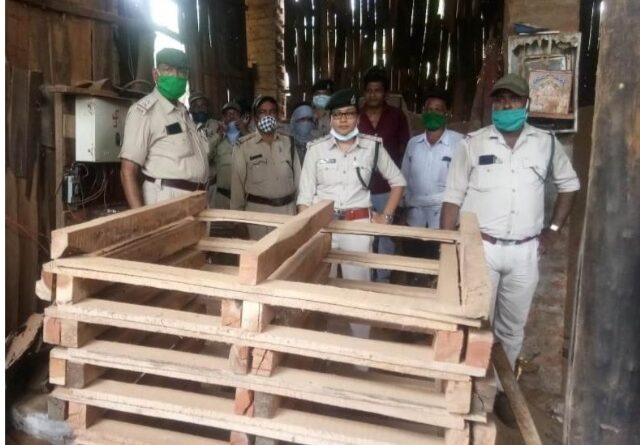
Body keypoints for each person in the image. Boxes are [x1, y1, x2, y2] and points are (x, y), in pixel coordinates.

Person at [440, 73, 580, 425]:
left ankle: (502, 392)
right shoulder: (473, 143)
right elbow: (453, 196)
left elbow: (569, 186)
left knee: (512, 328)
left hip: (525, 251)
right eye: (500, 100)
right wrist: (448, 244)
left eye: (513, 100)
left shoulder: (546, 144)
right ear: (493, 105)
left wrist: (552, 230)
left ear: (526, 104)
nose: (506, 106)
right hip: (481, 247)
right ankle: (470, 389)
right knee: (475, 321)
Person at [297, 88, 406, 339]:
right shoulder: (316, 150)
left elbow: (398, 182)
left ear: (357, 117)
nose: (343, 120)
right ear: (330, 119)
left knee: (358, 290)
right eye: (338, 115)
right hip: (323, 227)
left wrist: (386, 217)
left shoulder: (372, 147)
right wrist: (309, 232)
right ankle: (320, 344)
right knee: (319, 287)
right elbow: (304, 198)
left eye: (349, 113)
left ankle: (360, 347)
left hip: (358, 227)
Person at [119, 48, 209, 208]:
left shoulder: (183, 112)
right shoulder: (144, 112)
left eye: (181, 72)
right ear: (155, 74)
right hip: (166, 199)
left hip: (197, 199)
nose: (176, 76)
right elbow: (128, 171)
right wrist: (141, 217)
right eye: (168, 69)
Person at [358, 66, 410, 282]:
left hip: (388, 189)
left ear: (385, 93)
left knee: (386, 236)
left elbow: (404, 150)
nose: (373, 95)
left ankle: (383, 280)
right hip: (360, 189)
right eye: (369, 90)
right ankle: (363, 280)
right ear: (364, 93)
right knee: (361, 236)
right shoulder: (355, 117)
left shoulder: (396, 116)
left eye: (377, 90)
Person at [231, 95, 301, 239]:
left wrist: (301, 214)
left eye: (272, 112)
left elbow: (299, 182)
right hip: (258, 217)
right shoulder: (243, 147)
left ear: (277, 116)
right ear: (255, 117)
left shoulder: (289, 143)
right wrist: (238, 222)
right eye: (262, 112)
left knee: (288, 252)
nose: (268, 116)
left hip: (287, 214)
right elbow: (237, 187)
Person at [402, 91, 464, 230]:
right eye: (429, 109)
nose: (432, 113)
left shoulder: (459, 143)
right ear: (423, 112)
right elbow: (404, 178)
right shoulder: (413, 144)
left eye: (437, 110)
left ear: (447, 114)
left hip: (445, 218)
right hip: (415, 218)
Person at [209, 100, 245, 209]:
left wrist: (244, 131)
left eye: (235, 113)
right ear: (223, 118)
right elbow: (206, 155)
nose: (231, 116)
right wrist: (219, 134)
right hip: (221, 198)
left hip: (243, 199)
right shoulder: (218, 139)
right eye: (228, 114)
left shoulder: (248, 138)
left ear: (241, 117)